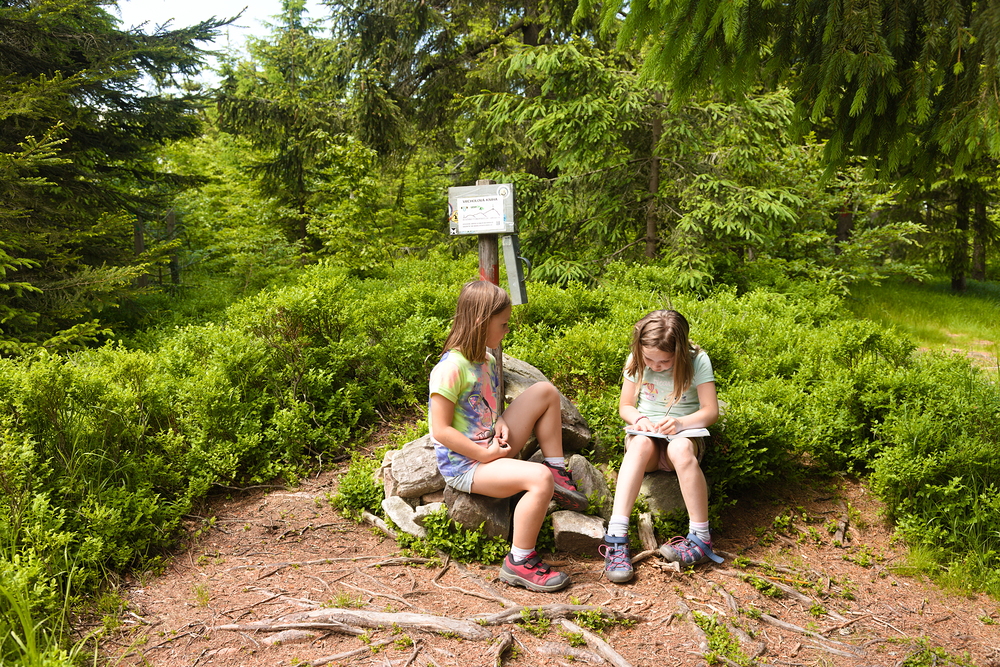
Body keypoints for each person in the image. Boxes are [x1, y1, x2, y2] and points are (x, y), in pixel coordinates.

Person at [429, 280, 588, 592]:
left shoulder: (486, 360)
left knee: (545, 392)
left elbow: (483, 405)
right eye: (502, 324)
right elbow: (441, 430)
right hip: (469, 465)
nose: (506, 331)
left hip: (493, 445)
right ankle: (520, 561)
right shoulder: (450, 368)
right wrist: (484, 455)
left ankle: (558, 470)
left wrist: (500, 419)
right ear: (480, 322)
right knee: (538, 479)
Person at [600, 310, 723, 583]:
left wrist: (680, 423)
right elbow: (626, 406)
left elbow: (710, 411)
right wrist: (639, 419)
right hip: (646, 438)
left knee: (679, 449)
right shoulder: (635, 359)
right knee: (640, 444)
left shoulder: (697, 360)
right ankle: (617, 536)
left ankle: (701, 539)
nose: (655, 366)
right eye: (649, 360)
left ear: (679, 352)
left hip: (683, 437)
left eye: (664, 361)